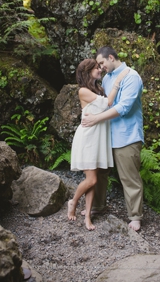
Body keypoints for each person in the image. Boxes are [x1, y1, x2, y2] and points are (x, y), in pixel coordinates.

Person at [82, 46, 145, 232]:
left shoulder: (131, 76)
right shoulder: (107, 78)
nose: (100, 68)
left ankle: (135, 216)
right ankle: (98, 206)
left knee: (129, 177)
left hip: (127, 136)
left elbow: (124, 108)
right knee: (100, 174)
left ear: (111, 57)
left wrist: (94, 119)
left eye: (102, 63)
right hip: (105, 135)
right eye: (98, 65)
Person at [67, 59, 127, 230]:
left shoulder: (97, 90)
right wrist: (118, 81)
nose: (100, 69)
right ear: (87, 71)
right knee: (92, 179)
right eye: (96, 68)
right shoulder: (83, 91)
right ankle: (73, 201)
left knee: (92, 181)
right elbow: (108, 103)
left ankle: (87, 217)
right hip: (88, 138)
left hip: (98, 138)